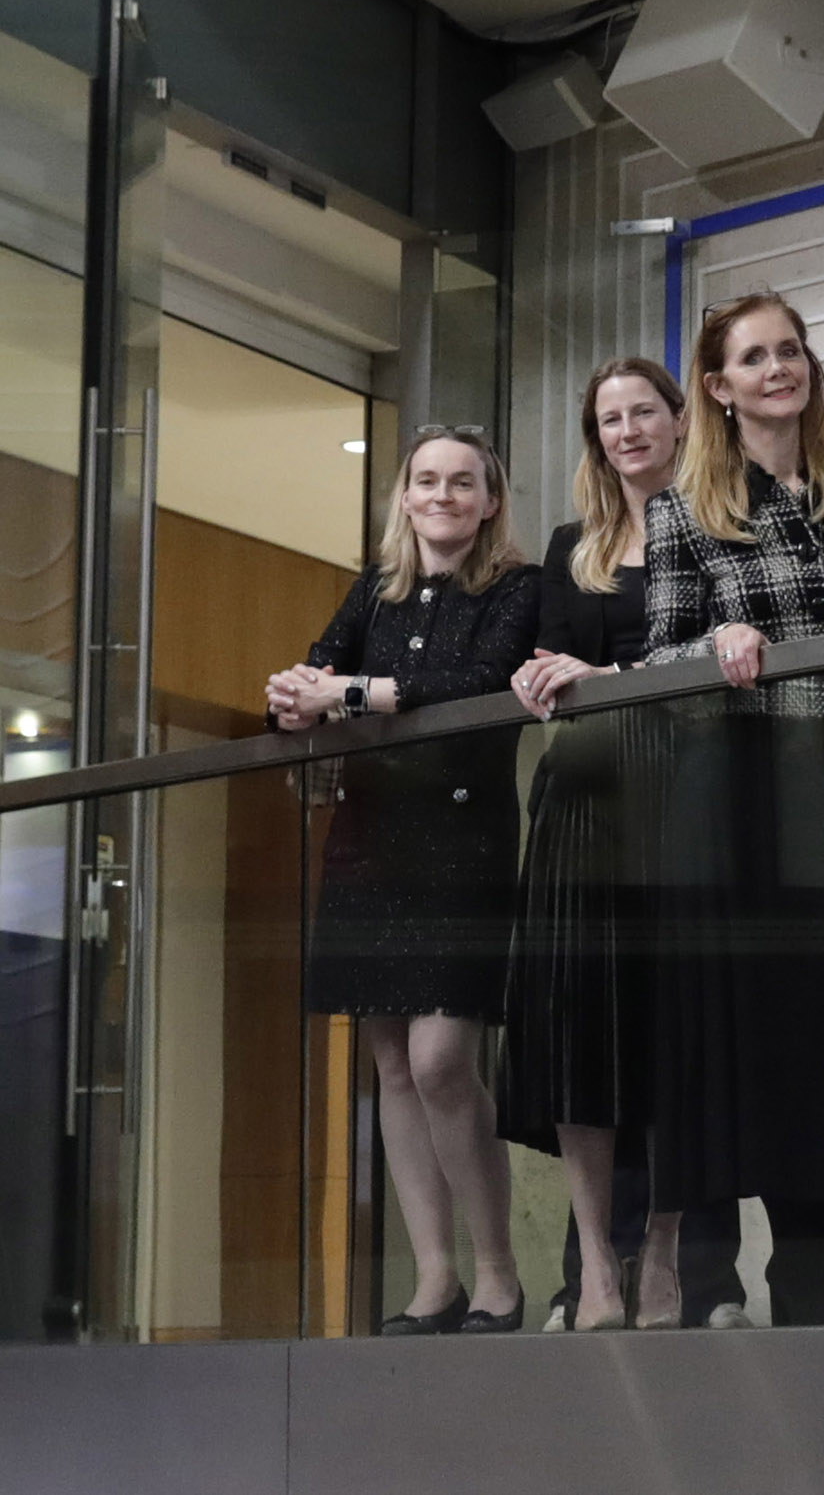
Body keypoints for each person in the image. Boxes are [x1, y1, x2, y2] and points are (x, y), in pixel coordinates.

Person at [626, 292, 824, 1324]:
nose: (776, 369)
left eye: (789, 351)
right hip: (748, 803)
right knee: (771, 1027)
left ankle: (812, 1253)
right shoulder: (684, 504)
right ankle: (786, 1260)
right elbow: (654, 656)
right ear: (717, 384)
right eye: (753, 357)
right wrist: (712, 646)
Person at [267, 425, 539, 1333]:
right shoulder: (372, 592)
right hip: (371, 837)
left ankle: (497, 1269)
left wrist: (353, 694)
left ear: (491, 500)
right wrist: (296, 695)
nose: (444, 495)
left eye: (464, 483)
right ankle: (435, 1278)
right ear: (406, 496)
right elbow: (315, 674)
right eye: (427, 480)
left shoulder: (516, 587)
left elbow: (474, 681)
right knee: (390, 1063)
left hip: (462, 841)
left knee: (440, 1059)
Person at [500, 360, 686, 1330]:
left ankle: (660, 1249)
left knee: (669, 1028)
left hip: (682, 801)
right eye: (609, 418)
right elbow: (546, 664)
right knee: (579, 1033)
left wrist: (602, 670)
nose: (626, 430)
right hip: (580, 803)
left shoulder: (712, 528)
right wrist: (567, 676)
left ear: (678, 419)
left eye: (642, 411)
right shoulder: (573, 546)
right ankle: (596, 1274)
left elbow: (695, 652)